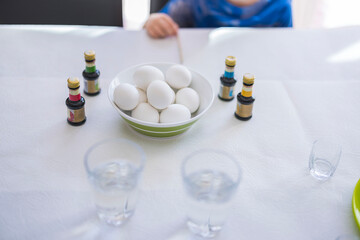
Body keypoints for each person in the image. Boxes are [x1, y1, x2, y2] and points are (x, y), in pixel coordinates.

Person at [144, 0, 292, 38]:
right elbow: (154, 24)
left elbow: (286, 45)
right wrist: (153, 22)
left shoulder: (281, 7)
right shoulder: (194, 3)